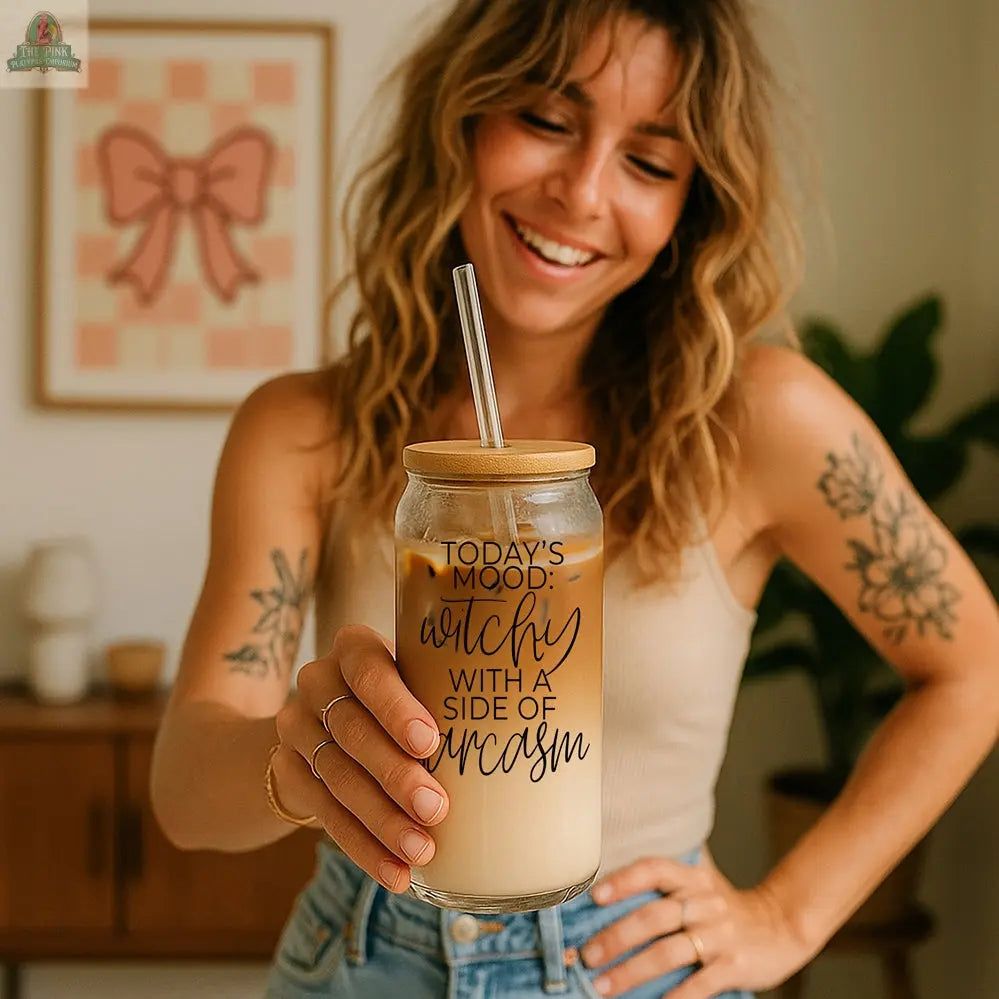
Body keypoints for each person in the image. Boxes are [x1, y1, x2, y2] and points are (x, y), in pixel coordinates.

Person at [150, 1, 999, 997]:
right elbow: (186, 795)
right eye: (547, 120)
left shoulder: (760, 421)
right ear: (460, 120)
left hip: (633, 965)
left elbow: (975, 667)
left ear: (692, 207)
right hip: (364, 952)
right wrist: (296, 757)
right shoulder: (304, 430)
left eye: (649, 162)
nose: (583, 192)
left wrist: (788, 914)